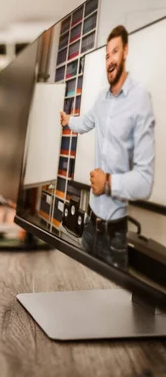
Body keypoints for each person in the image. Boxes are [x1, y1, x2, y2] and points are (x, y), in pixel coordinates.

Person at [60, 25, 155, 269]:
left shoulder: (139, 99)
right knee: (80, 291)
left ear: (125, 52)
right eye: (106, 55)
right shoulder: (102, 98)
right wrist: (68, 121)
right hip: (91, 226)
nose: (109, 60)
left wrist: (109, 183)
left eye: (114, 52)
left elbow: (144, 181)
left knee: (114, 301)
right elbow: (86, 122)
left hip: (115, 236)